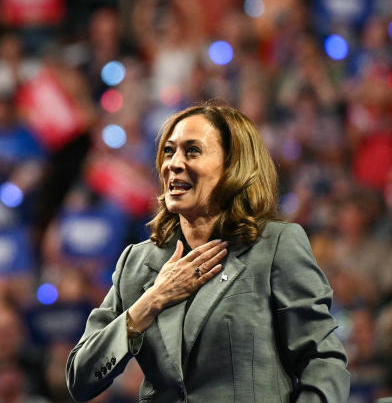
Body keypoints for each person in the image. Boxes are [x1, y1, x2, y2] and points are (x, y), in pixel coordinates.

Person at [66, 103, 350, 402]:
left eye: (192, 151)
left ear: (233, 166)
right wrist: (150, 302)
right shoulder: (137, 263)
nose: (174, 164)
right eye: (169, 151)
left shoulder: (274, 246)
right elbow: (80, 378)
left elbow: (322, 360)